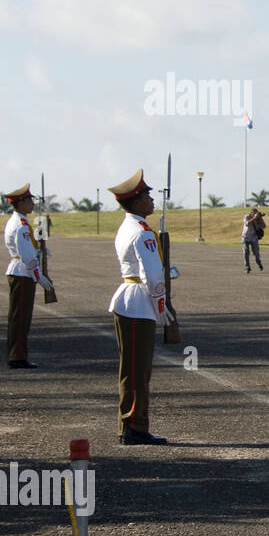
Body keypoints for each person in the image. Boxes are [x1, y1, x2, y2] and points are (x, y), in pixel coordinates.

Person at [106, 170, 172, 444]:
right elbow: (154, 276)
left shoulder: (129, 226)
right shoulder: (142, 232)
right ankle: (134, 426)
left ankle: (134, 425)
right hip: (139, 302)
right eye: (146, 195)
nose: (151, 199)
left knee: (135, 369)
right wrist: (162, 306)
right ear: (135, 201)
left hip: (132, 299)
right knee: (136, 370)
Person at [3, 183, 51, 368]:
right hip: (23, 273)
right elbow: (28, 257)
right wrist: (39, 276)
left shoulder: (19, 221)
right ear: (21, 202)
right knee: (21, 318)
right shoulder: (21, 225)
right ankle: (17, 357)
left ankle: (17, 355)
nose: (32, 203)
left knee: (19, 317)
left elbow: (32, 249)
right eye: (30, 200)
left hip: (21, 271)